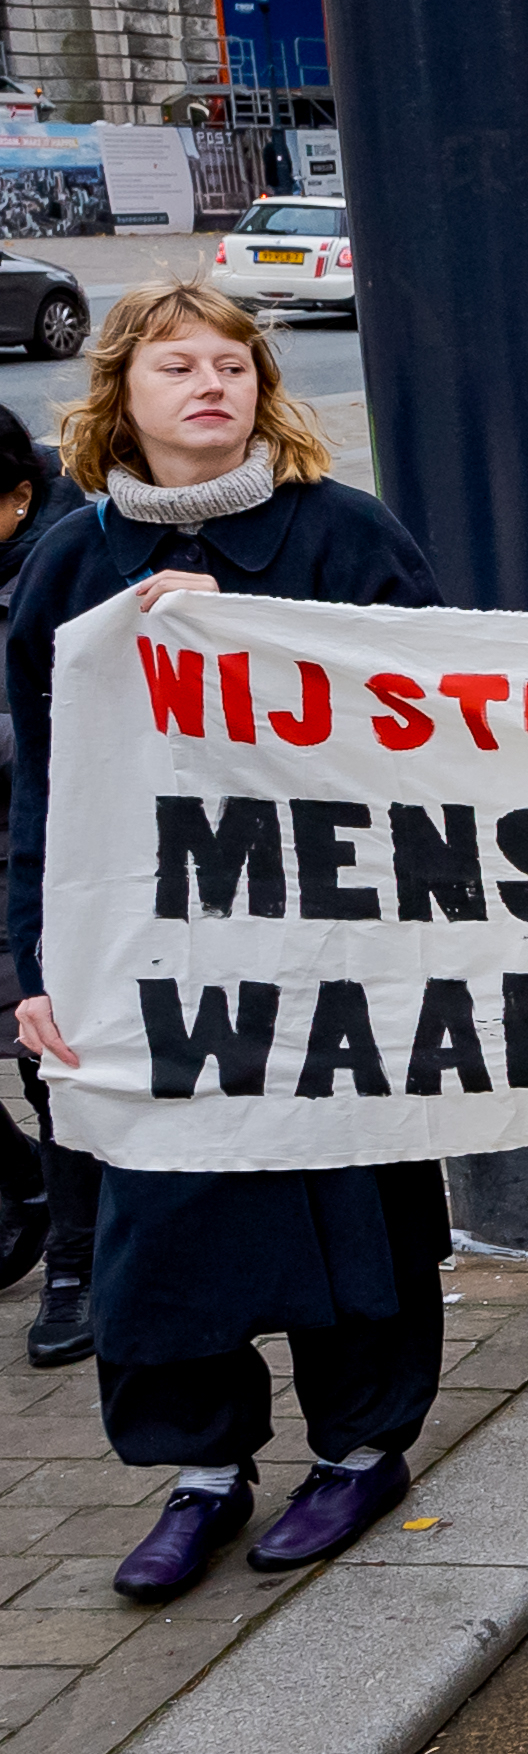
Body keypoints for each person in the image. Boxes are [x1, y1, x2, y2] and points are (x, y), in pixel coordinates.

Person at [5, 284, 447, 1601]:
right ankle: (201, 1467)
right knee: (161, 1220)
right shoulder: (71, 563)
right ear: (120, 397)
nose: (211, 384)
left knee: (349, 1205)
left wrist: (260, 646)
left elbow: (437, 720)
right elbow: (45, 793)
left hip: (327, 952)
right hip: (147, 962)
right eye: (176, 366)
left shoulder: (344, 532)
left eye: (232, 364)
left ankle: (361, 1447)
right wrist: (34, 966)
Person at [0, 409, 79, 1369]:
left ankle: (77, 1255)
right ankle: (24, 1186)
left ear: (19, 498)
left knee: (47, 1052)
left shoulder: (67, 565)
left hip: (42, 843)